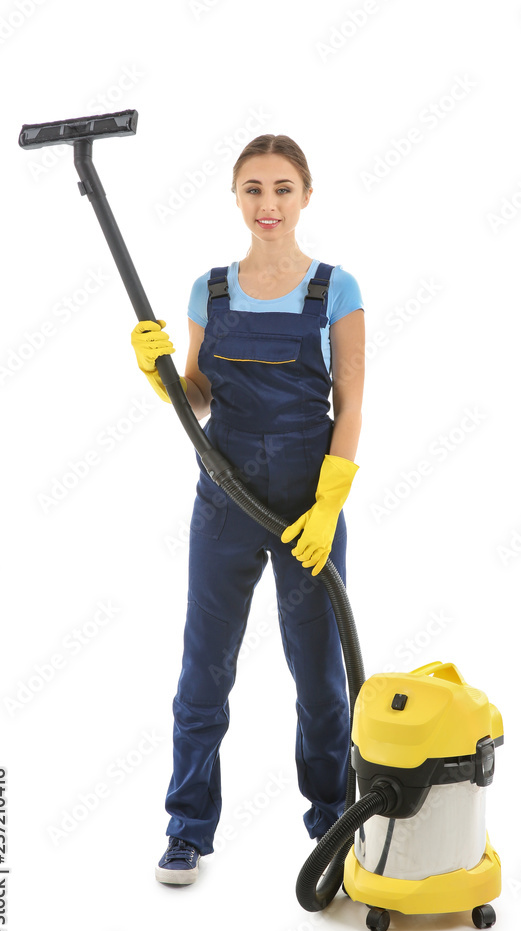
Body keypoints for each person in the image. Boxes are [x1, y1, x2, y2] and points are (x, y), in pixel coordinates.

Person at [131, 134, 365, 885]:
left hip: (306, 500)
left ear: (305, 196)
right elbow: (197, 395)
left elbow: (351, 404)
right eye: (254, 189)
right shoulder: (212, 290)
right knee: (204, 669)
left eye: (283, 188)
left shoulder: (336, 289)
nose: (268, 204)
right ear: (235, 197)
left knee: (321, 678)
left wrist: (328, 504)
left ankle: (333, 820)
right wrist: (158, 369)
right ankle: (187, 828)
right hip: (224, 493)